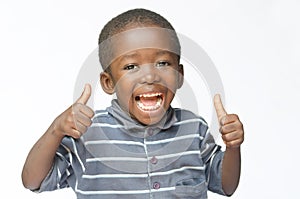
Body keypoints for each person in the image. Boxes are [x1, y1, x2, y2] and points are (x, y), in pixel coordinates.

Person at [21, 8, 244, 199]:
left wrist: (233, 147)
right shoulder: (88, 134)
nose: (149, 77)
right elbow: (33, 181)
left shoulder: (194, 129)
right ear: (109, 82)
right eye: (130, 67)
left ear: (179, 75)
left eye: (163, 63)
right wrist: (55, 130)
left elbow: (227, 186)